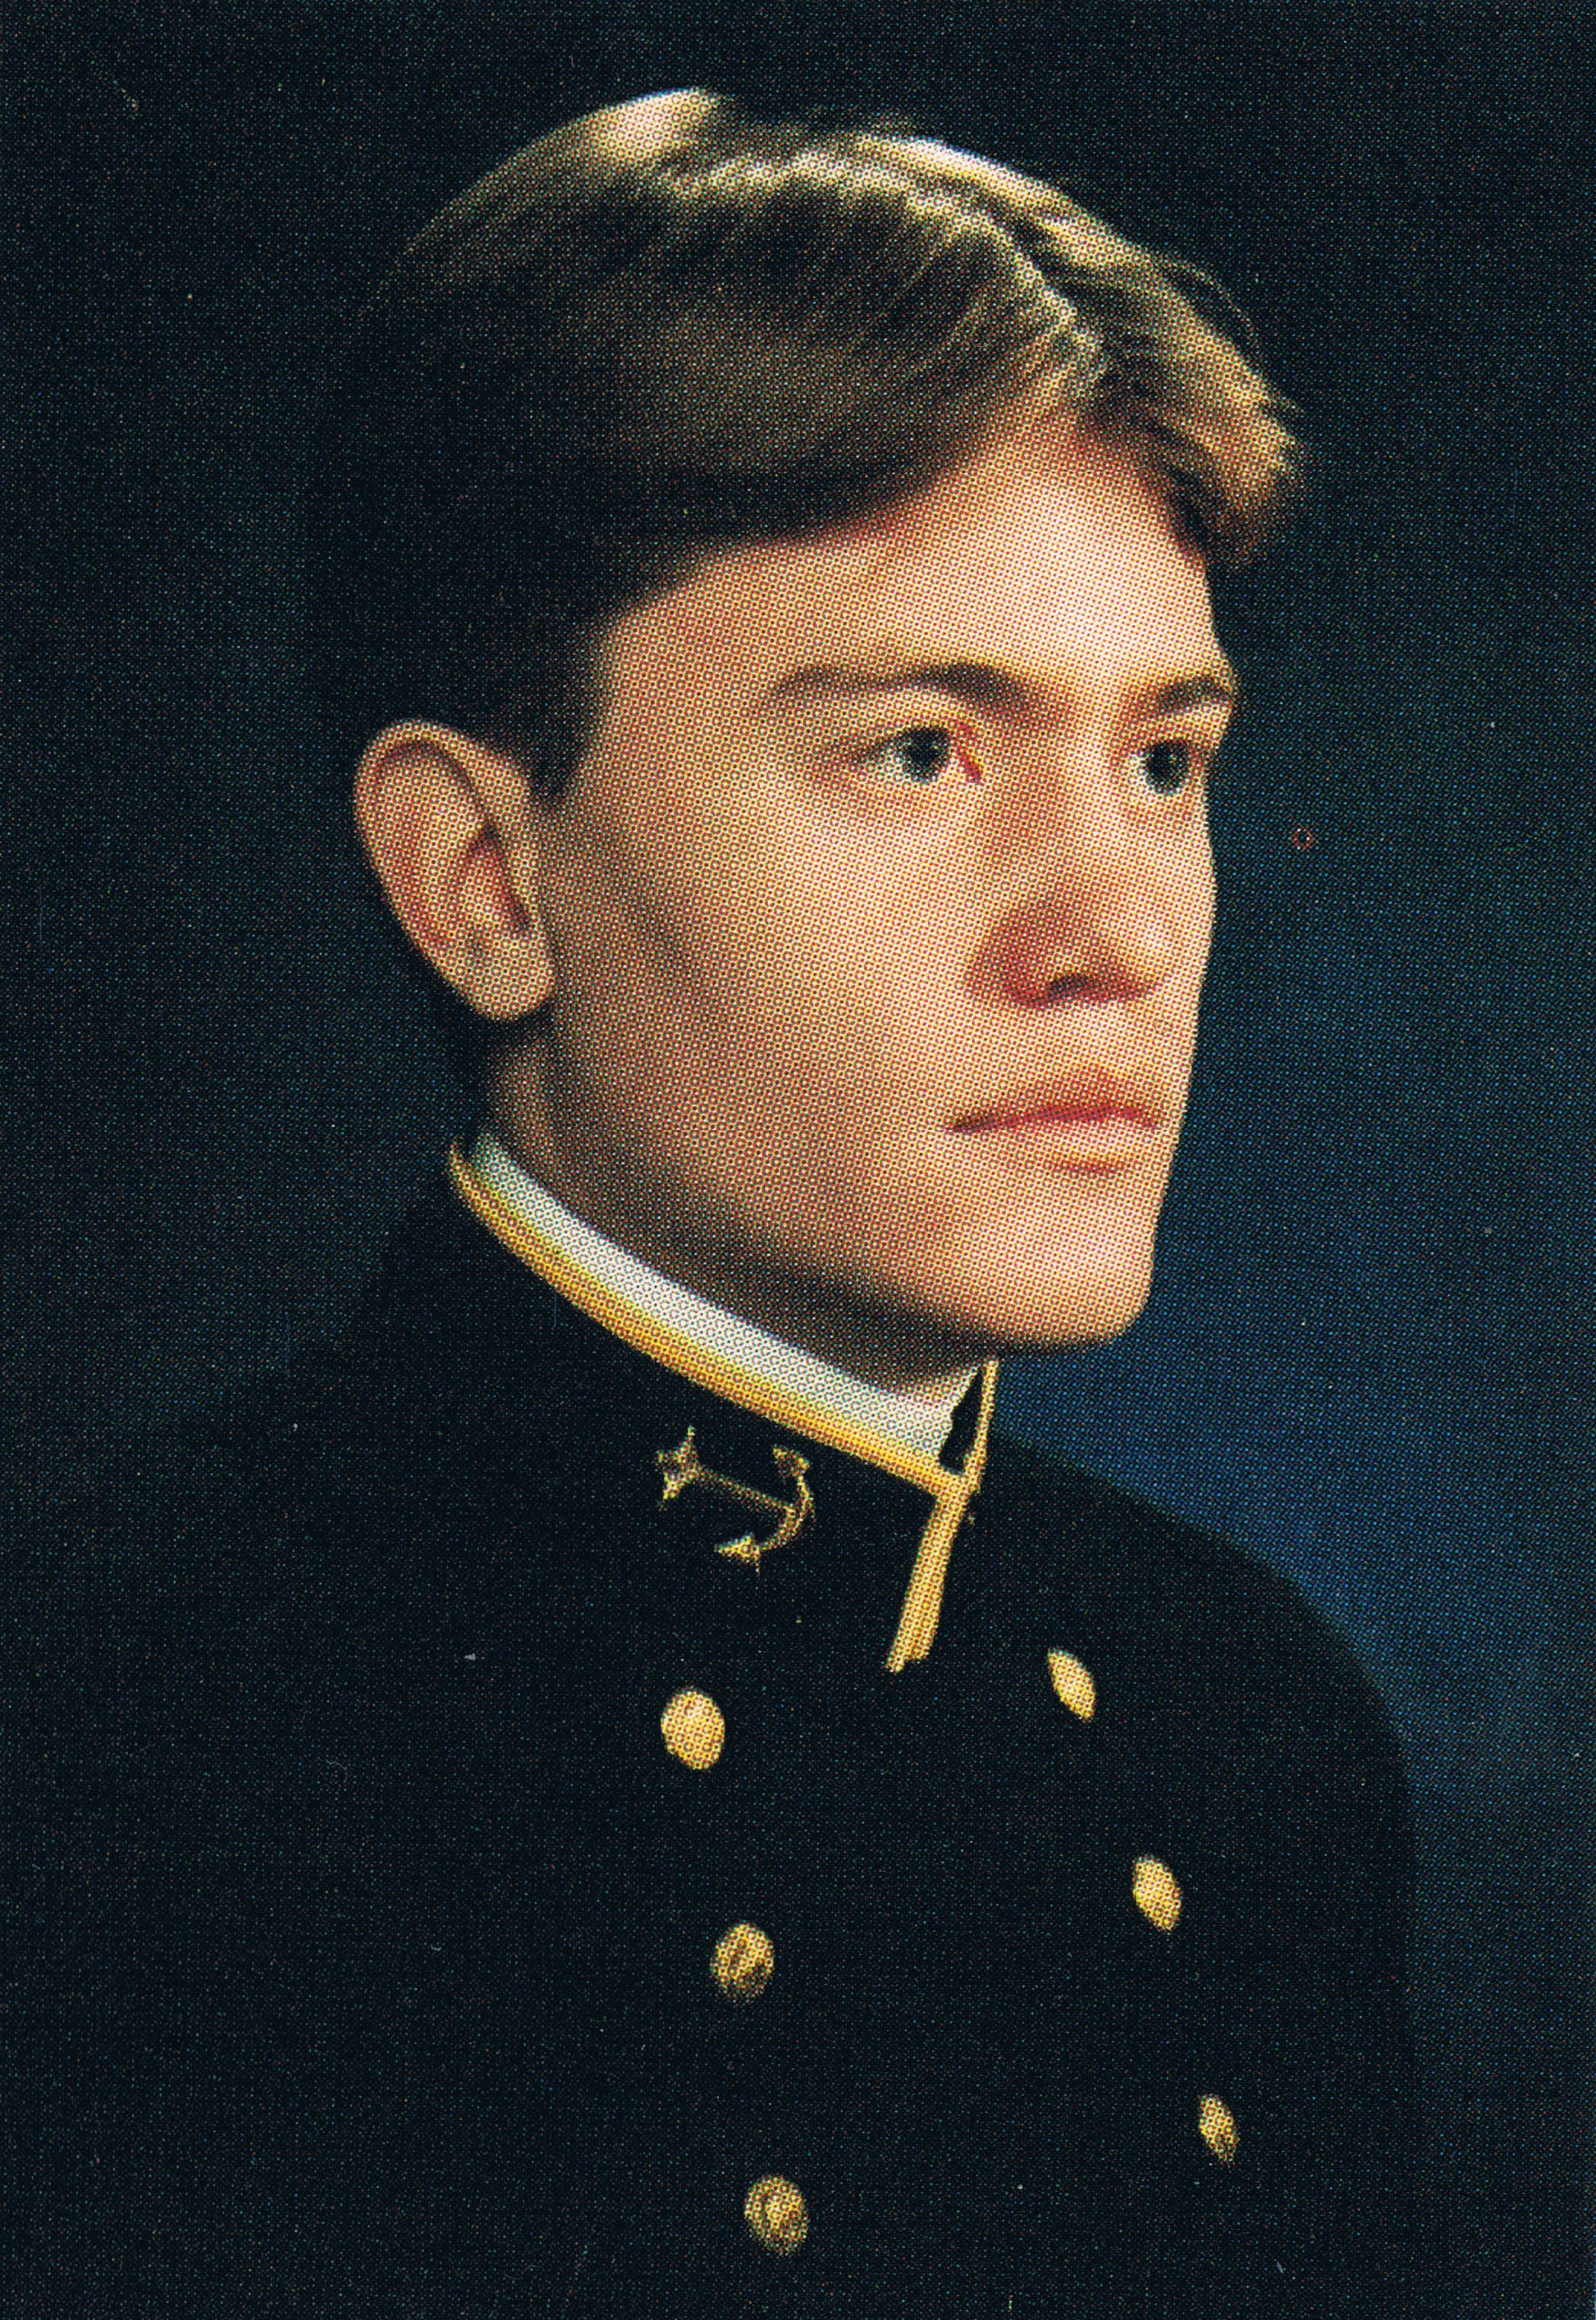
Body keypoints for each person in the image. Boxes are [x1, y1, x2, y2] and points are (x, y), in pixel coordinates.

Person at [6, 91, 1423, 2318]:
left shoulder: (1249, 1725)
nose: (1116, 934)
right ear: (488, 881)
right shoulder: (128, 1734)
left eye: (1164, 761)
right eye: (921, 752)